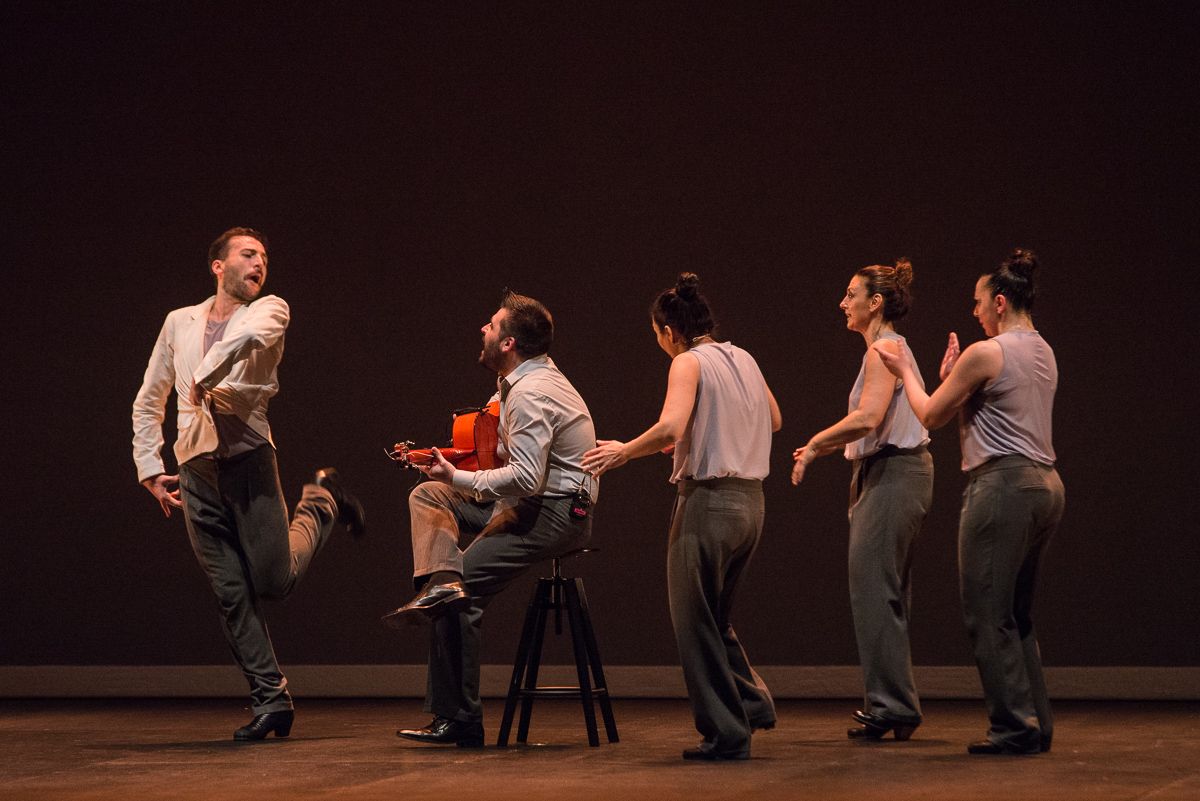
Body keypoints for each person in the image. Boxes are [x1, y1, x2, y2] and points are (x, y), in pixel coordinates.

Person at [132, 227, 366, 742]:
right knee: (231, 594)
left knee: (273, 582)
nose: (259, 262)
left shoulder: (270, 310)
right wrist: (149, 466)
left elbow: (245, 342)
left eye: (264, 256)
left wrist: (205, 377)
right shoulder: (179, 321)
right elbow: (150, 397)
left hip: (249, 464)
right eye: (248, 253)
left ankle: (322, 501)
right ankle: (271, 699)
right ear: (218, 266)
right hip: (196, 472)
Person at [384, 291, 598, 748]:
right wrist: (446, 469)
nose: (483, 328)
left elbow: (526, 478)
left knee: (455, 599)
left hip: (555, 511)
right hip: (531, 502)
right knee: (429, 493)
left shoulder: (531, 393)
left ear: (508, 343)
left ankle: (459, 718)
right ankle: (443, 578)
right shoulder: (515, 384)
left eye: (492, 324)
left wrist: (459, 476)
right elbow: (499, 462)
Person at [582, 273, 782, 761]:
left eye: (657, 335)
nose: (659, 343)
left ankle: (726, 733)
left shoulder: (687, 362)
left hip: (709, 504)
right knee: (714, 616)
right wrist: (706, 430)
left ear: (670, 331)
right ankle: (751, 704)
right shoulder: (744, 357)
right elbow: (773, 419)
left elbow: (669, 425)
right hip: (751, 503)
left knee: (693, 622)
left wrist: (624, 451)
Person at [874, 249, 1064, 755]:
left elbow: (930, 416)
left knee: (987, 612)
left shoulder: (987, 352)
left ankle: (1013, 728)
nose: (974, 311)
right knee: (1016, 613)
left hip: (1003, 486)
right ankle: (1035, 723)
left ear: (999, 302)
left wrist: (905, 369)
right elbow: (993, 408)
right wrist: (953, 379)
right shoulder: (1042, 350)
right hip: (1045, 485)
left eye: (978, 302)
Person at [791, 259, 932, 741]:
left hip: (895, 472)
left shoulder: (883, 350)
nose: (843, 303)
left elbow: (869, 418)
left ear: (875, 302)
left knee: (874, 588)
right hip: (888, 471)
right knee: (883, 590)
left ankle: (893, 706)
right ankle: (891, 705)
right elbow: (871, 423)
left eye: (851, 295)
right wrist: (826, 447)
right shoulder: (888, 349)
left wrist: (816, 443)